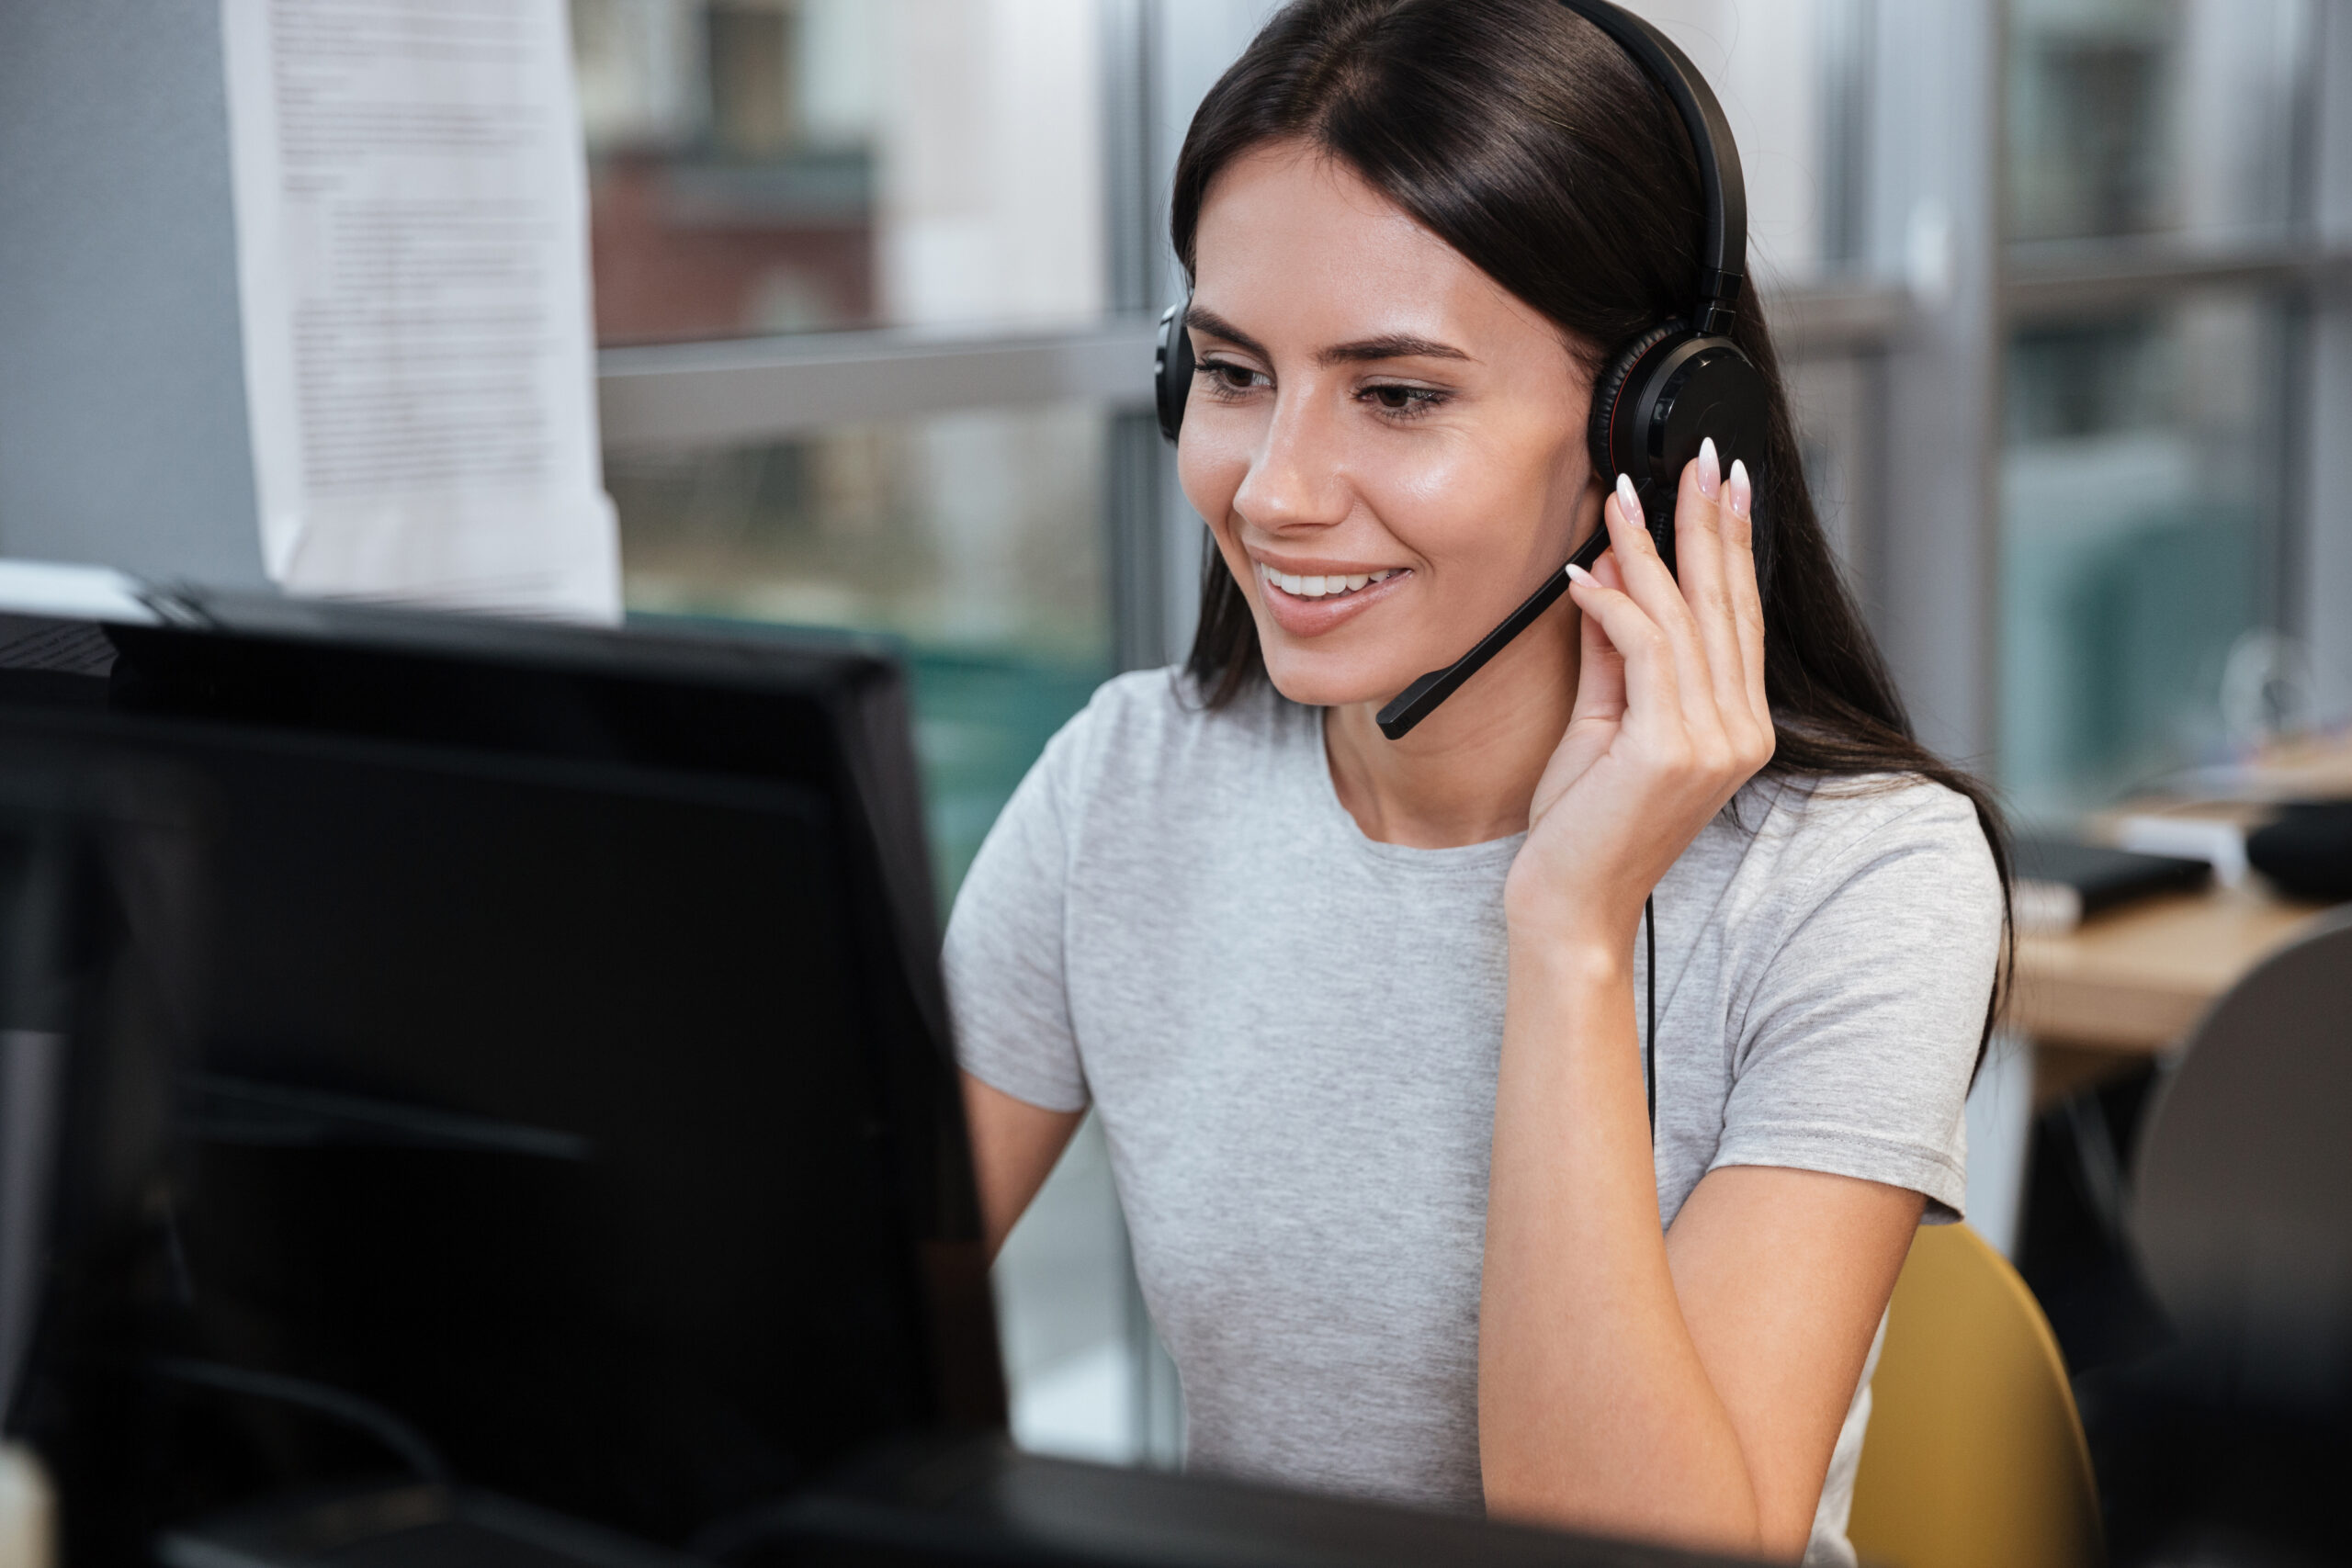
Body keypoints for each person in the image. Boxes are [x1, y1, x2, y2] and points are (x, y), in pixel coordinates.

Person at [943, 3, 2008, 1563]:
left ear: (1655, 427)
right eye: (1234, 373)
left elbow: (1647, 1552)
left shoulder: (1862, 882)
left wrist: (1572, 927)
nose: (1278, 489)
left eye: (1399, 394)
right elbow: (818, 1316)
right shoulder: (1128, 784)